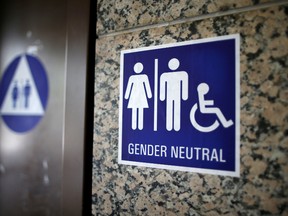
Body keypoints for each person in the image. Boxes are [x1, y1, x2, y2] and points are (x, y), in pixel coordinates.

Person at [160, 58, 188, 131]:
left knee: (177, 110)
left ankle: (176, 126)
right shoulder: (164, 75)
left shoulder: (182, 74)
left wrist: (184, 96)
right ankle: (169, 126)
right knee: (169, 109)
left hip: (177, 95)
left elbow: (184, 85)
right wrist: (162, 96)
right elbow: (162, 86)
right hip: (169, 95)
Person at [125, 62, 152, 130]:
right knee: (134, 110)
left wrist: (149, 95)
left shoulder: (144, 77)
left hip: (141, 96)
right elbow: (129, 87)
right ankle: (134, 126)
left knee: (140, 110)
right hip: (133, 96)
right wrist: (126, 96)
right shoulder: (132, 77)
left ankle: (140, 126)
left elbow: (147, 86)